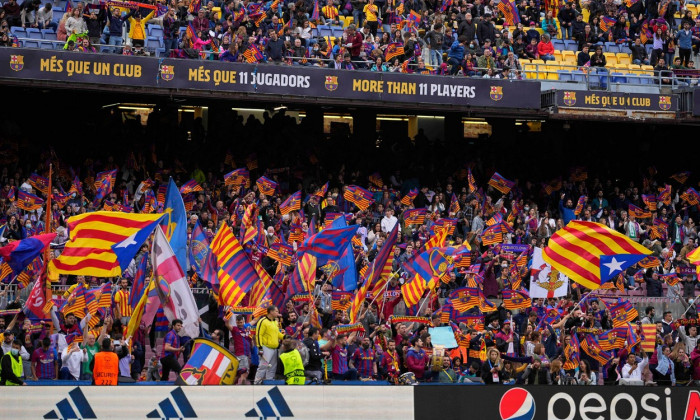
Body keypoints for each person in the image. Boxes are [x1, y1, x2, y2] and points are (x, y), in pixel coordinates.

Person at [254, 305, 284, 384]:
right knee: (263, 366)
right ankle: (257, 383)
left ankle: (269, 383)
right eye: (276, 311)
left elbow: (277, 333)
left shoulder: (275, 321)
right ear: (271, 312)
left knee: (272, 368)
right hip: (266, 348)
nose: (278, 313)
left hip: (274, 349)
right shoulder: (263, 321)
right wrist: (260, 348)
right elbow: (258, 335)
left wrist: (284, 336)